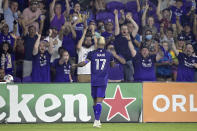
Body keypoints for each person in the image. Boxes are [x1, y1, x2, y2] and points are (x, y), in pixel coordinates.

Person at [73, 36, 114, 128]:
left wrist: (76, 65)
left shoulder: (92, 53)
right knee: (99, 101)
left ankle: (96, 119)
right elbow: (112, 65)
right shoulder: (109, 54)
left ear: (97, 44)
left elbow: (84, 63)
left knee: (95, 100)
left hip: (94, 80)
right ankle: (97, 120)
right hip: (102, 80)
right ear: (104, 44)